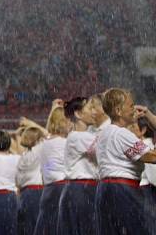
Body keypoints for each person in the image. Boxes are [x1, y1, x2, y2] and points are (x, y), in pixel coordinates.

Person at [94, 88, 156, 233]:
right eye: (130, 105)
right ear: (118, 110)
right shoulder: (121, 133)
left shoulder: (103, 134)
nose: (134, 109)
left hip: (103, 190)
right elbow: (150, 157)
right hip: (123, 189)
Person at [57, 97, 99, 235]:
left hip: (81, 189)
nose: (94, 112)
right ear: (78, 114)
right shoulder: (78, 137)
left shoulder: (84, 135)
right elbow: (108, 149)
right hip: (81, 190)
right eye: (90, 108)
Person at [33, 100, 70, 235]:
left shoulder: (44, 144)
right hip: (63, 188)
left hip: (48, 190)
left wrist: (54, 109)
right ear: (64, 122)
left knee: (48, 227)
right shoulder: (66, 142)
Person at [15, 127, 44, 235]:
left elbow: (17, 181)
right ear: (37, 139)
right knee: (39, 227)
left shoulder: (22, 157)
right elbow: (49, 135)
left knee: (26, 227)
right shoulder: (39, 151)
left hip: (24, 194)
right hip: (38, 192)